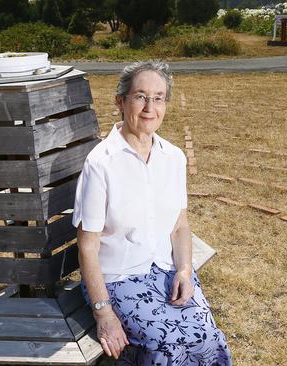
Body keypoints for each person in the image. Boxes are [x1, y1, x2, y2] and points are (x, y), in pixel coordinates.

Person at [72, 60, 232, 365]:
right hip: (118, 280)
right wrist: (104, 313)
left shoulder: (173, 157)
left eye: (158, 98)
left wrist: (184, 270)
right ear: (121, 101)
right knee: (168, 344)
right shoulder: (100, 164)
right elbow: (88, 246)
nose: (150, 107)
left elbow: (179, 226)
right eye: (140, 96)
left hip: (165, 271)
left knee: (208, 337)